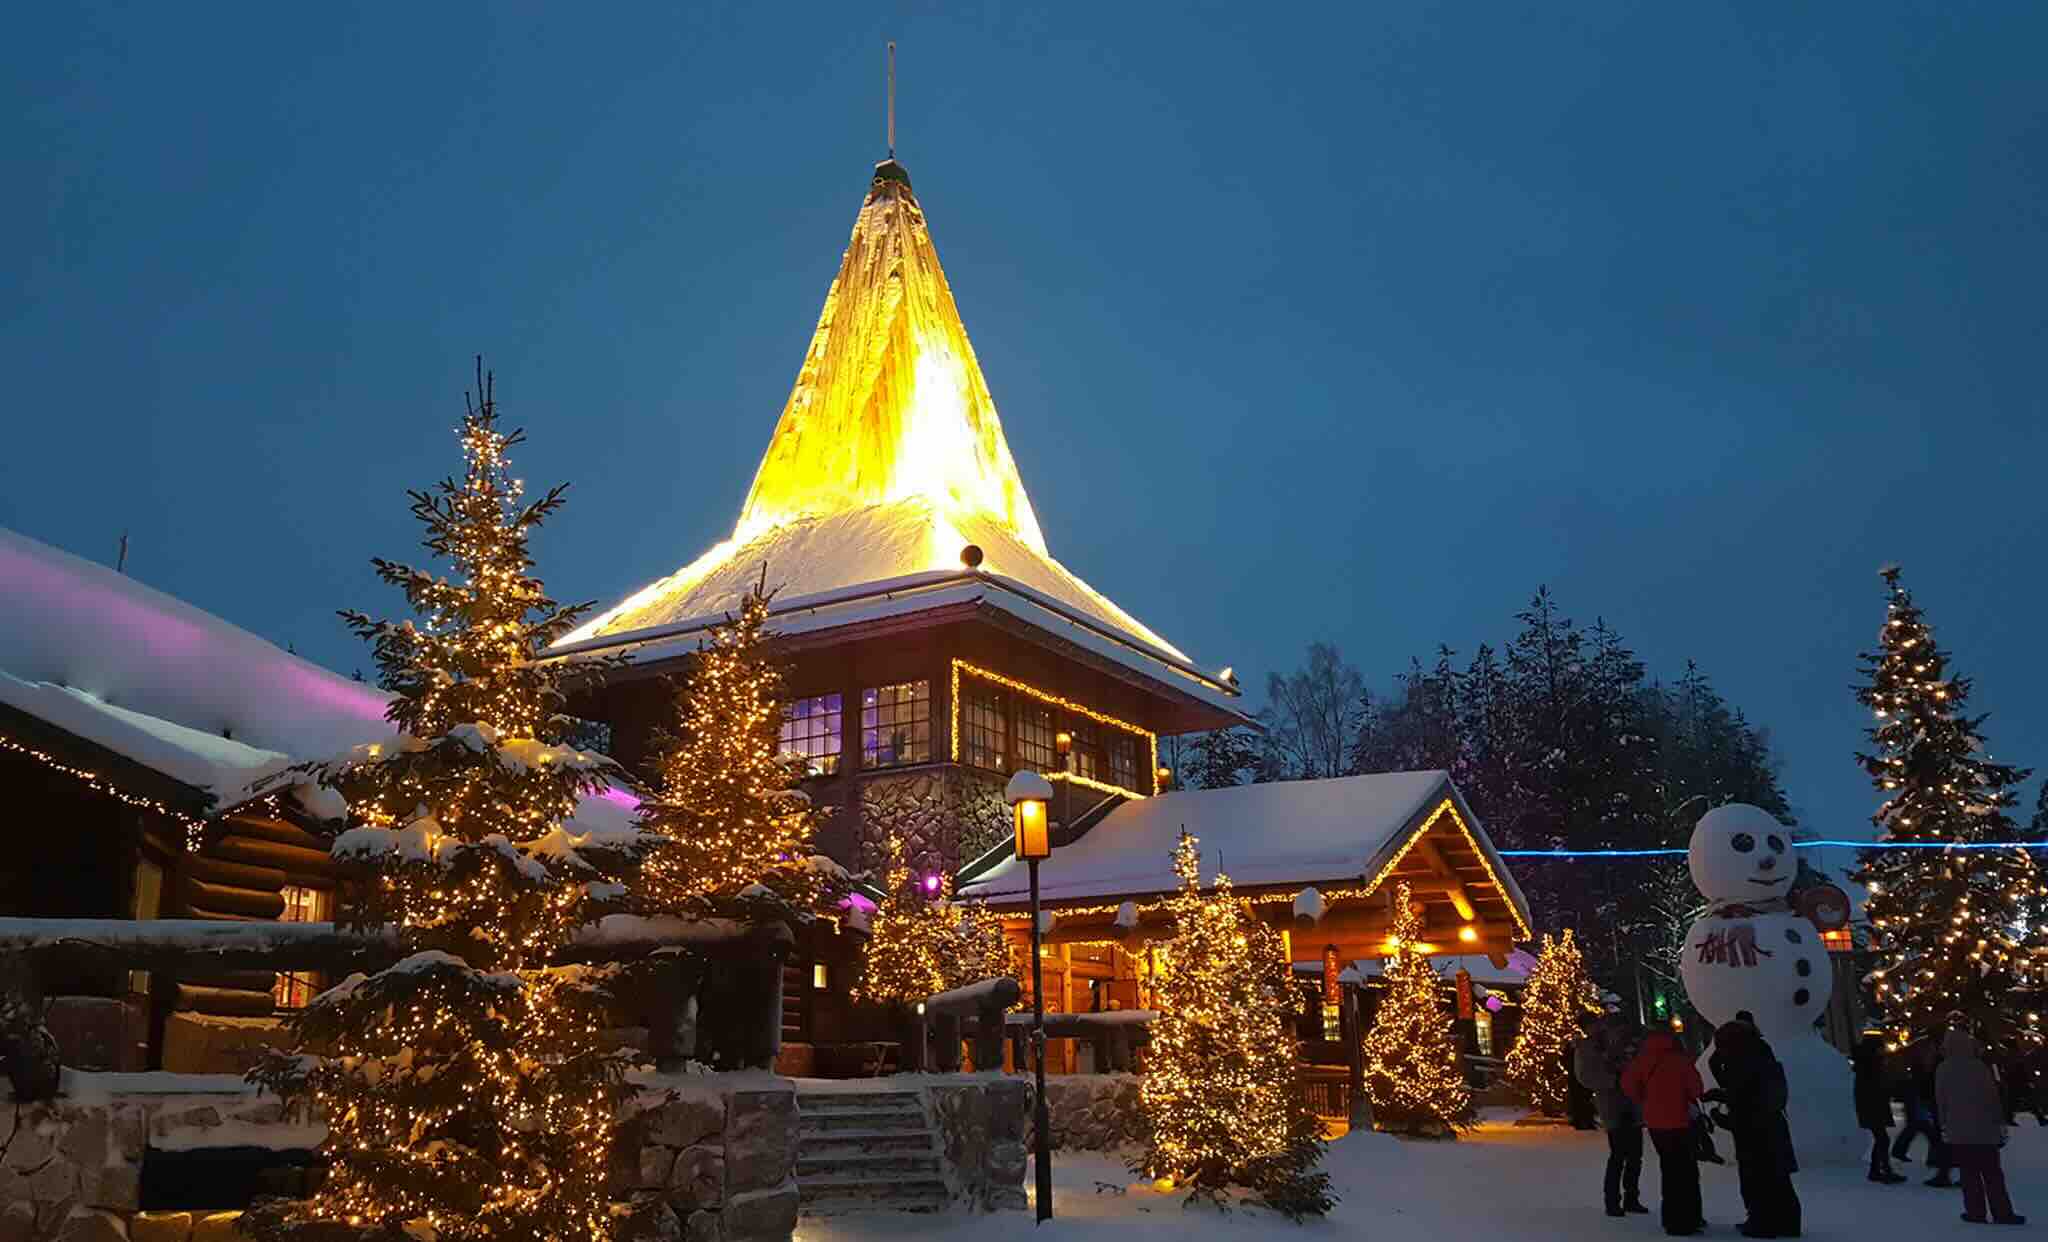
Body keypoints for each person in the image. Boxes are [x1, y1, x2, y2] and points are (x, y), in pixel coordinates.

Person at [1706, 1020, 1801, 1239]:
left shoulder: (1741, 1061)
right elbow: (1745, 1092)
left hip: (1754, 1131)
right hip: (1773, 1125)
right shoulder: (1762, 1054)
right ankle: (1788, 1223)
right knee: (1778, 1178)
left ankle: (1762, 1223)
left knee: (1757, 1179)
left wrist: (1721, 1117)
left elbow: (1742, 1098)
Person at [1937, 1029, 2026, 1225]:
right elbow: (1993, 1098)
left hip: (1959, 1130)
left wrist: (1944, 1125)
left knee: (1969, 1174)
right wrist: (1999, 1122)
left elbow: (1941, 1101)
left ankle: (1975, 1212)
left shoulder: (1943, 1069)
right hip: (1985, 1129)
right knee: (1993, 1173)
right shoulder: (1980, 1067)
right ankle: (2003, 1212)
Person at [1625, 1026, 1705, 1237]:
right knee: (1687, 1171)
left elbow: (1628, 1085)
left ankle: (1672, 1219)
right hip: (1681, 1122)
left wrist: (1645, 1098)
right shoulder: (1680, 1060)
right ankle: (1690, 1216)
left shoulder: (1642, 1059)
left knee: (1669, 1169)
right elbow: (1697, 1089)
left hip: (1656, 1124)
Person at [1578, 1016, 1648, 1216]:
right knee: (1618, 1155)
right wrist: (1614, 1080)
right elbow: (1586, 1076)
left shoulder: (1626, 1045)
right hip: (1613, 1105)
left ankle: (1631, 1197)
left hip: (1632, 1103)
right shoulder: (1587, 1048)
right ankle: (1612, 1200)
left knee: (1635, 1155)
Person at [1853, 1034, 1907, 1183]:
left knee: (1881, 1139)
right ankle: (1882, 1170)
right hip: (1874, 1106)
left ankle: (1877, 1170)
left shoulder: (1866, 1064)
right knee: (1882, 1139)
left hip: (1872, 1106)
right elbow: (1878, 1086)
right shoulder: (1871, 1065)